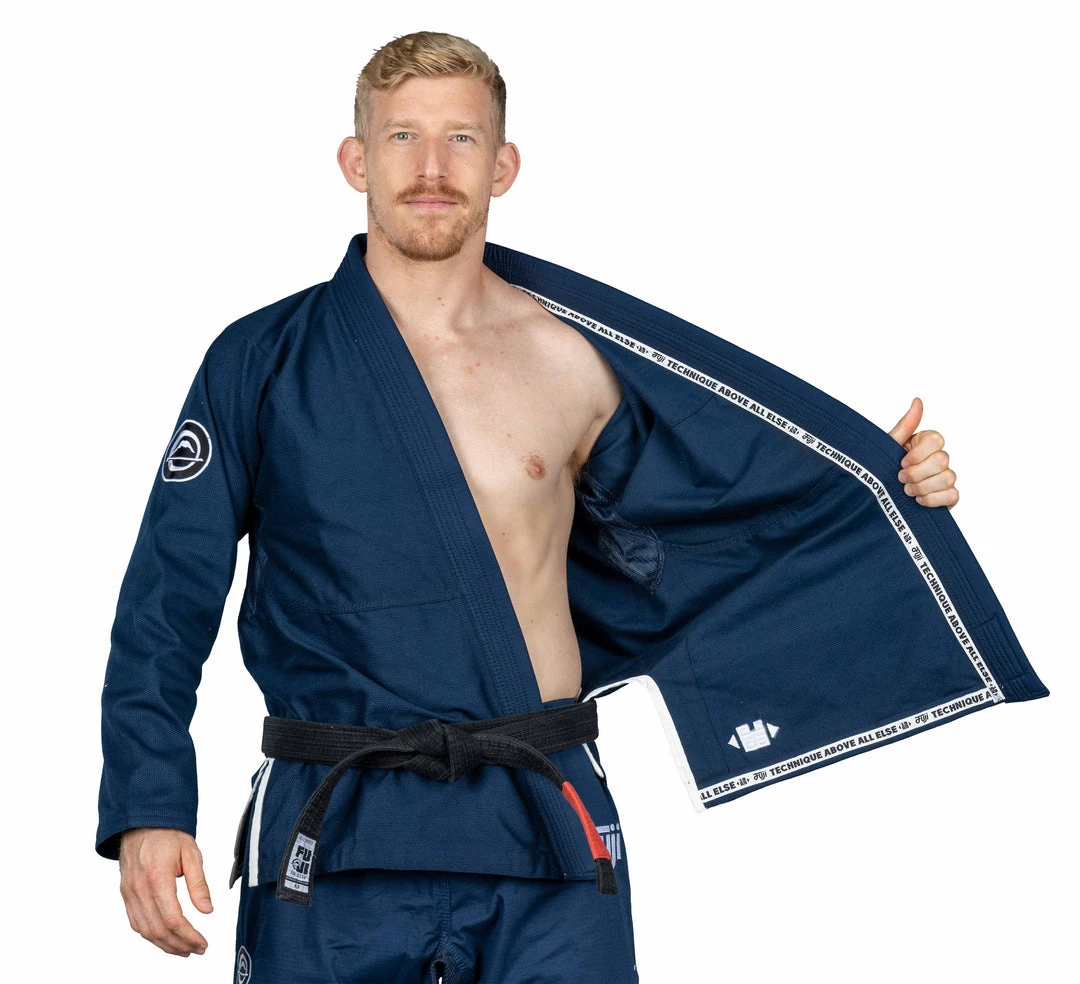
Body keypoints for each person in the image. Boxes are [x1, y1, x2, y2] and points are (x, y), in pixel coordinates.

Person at [100, 31, 971, 983]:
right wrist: (149, 805)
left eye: (462, 139)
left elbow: (720, 517)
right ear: (355, 160)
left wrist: (883, 483)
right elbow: (167, 596)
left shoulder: (572, 360)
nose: (431, 169)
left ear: (503, 165)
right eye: (402, 136)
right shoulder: (259, 360)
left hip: (544, 818)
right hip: (337, 821)